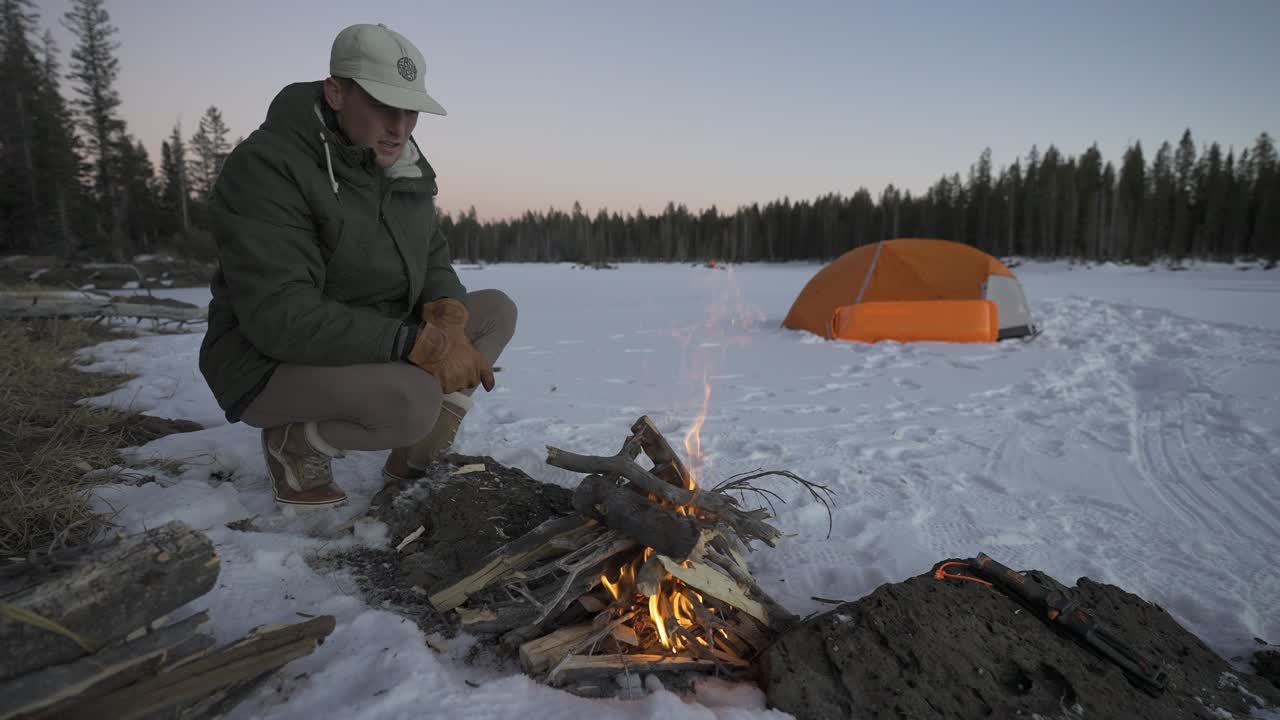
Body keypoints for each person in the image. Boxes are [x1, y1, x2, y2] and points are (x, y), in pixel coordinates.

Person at [198, 23, 517, 511]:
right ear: (337, 92)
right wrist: (418, 344)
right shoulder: (268, 167)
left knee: (493, 311)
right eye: (383, 107)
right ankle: (297, 444)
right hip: (269, 359)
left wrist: (448, 320)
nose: (401, 127)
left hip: (365, 335)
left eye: (410, 111)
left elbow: (432, 255)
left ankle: (416, 450)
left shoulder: (401, 164)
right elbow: (280, 317)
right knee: (411, 401)